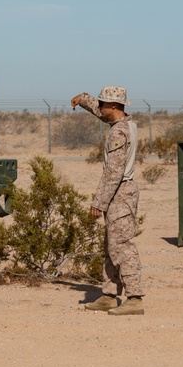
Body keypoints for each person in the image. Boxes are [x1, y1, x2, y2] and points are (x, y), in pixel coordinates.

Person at [71, 86, 144, 315]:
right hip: (120, 193)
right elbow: (101, 112)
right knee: (111, 245)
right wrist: (84, 99)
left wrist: (99, 202)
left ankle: (135, 298)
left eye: (103, 103)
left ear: (114, 106)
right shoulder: (123, 124)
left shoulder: (118, 133)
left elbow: (114, 171)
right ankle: (109, 295)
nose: (100, 107)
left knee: (122, 246)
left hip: (120, 193)